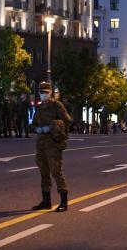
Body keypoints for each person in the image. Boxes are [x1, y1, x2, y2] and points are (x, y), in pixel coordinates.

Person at [32, 82, 72, 212]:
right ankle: (46, 201)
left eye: (45, 92)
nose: (43, 95)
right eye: (41, 92)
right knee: (44, 173)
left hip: (53, 144)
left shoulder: (56, 105)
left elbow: (67, 121)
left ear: (50, 93)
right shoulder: (38, 108)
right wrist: (38, 129)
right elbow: (33, 124)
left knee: (56, 171)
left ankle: (64, 202)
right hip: (41, 144)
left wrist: (55, 129)